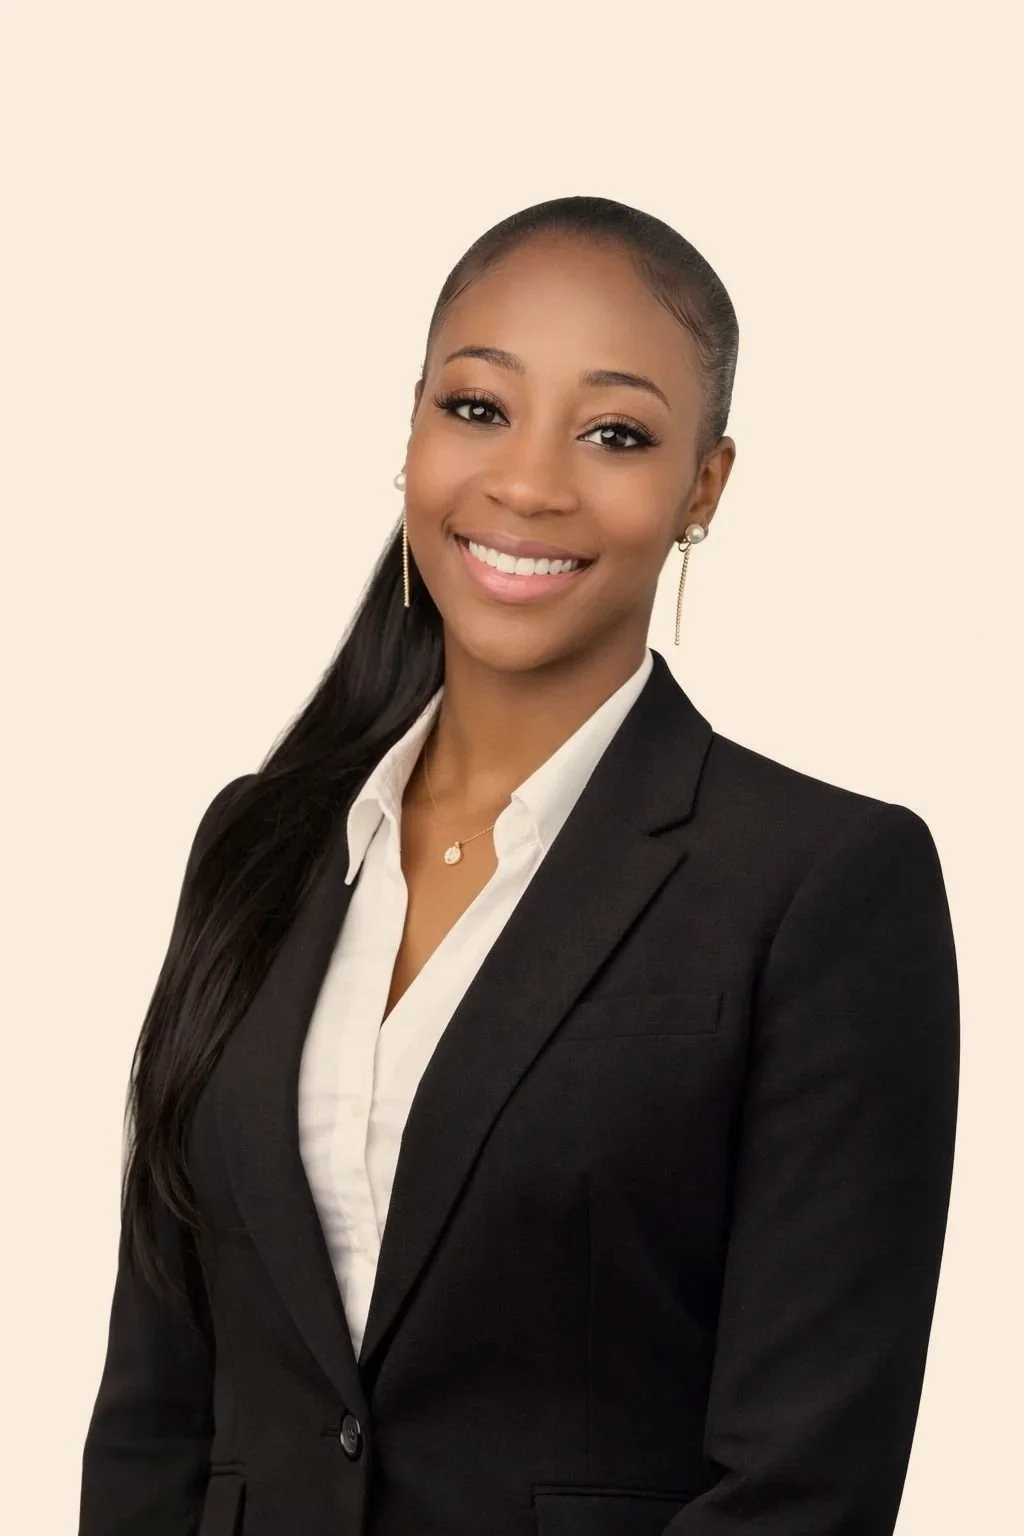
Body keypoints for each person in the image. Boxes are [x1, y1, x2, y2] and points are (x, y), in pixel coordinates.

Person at [78, 195, 959, 1536]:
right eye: (479, 409)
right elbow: (157, 1409)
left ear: (703, 488)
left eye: (615, 433)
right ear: (415, 425)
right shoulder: (254, 846)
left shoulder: (824, 885)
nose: (530, 482)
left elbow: (806, 1486)